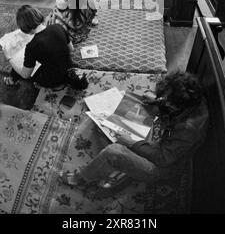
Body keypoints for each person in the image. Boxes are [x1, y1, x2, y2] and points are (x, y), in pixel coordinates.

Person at [59, 71, 208, 194]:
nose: (164, 101)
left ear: (176, 105)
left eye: (167, 102)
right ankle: (123, 167)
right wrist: (157, 100)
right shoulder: (189, 98)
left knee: (113, 151)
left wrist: (133, 143)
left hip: (162, 167)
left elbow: (163, 159)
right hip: (161, 135)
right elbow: (169, 105)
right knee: (106, 123)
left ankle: (82, 178)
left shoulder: (189, 128)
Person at [3, 5, 88, 90]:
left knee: (18, 65)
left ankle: (12, 80)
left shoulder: (32, 46)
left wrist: (9, 58)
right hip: (68, 68)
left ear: (24, 27)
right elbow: (71, 49)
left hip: (52, 80)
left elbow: (25, 75)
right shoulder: (58, 27)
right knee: (31, 61)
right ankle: (12, 79)